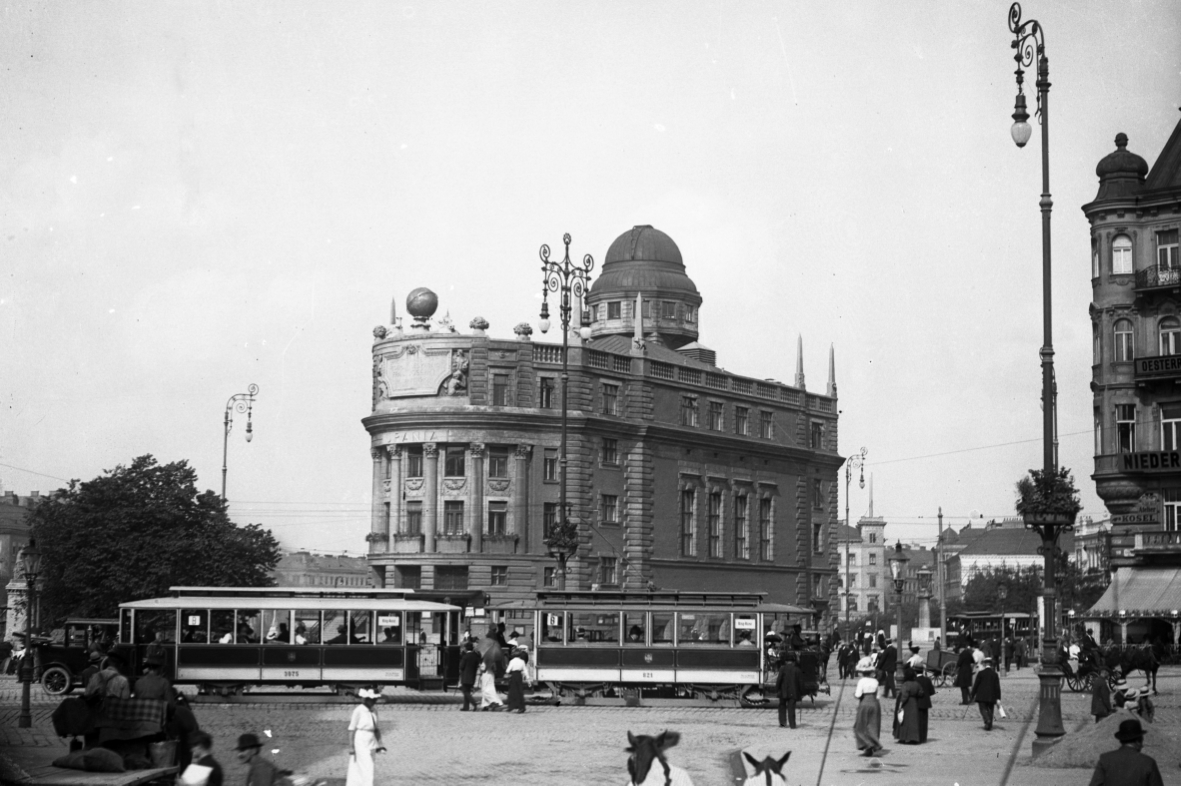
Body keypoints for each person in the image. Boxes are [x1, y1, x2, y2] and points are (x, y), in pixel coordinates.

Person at [1088, 718, 1164, 786]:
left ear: (1121, 740)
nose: (1142, 745)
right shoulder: (1148, 762)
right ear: (1138, 741)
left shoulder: (1105, 759)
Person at [346, 688, 386, 786]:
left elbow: (376, 728)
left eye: (375, 699)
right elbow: (351, 729)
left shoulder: (374, 710)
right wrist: (351, 747)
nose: (374, 701)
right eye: (372, 699)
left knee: (366, 763)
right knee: (367, 765)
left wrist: (380, 744)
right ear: (366, 699)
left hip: (371, 741)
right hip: (361, 740)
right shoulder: (358, 710)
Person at [852, 658, 882, 757]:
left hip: (865, 703)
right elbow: (878, 696)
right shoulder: (875, 681)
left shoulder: (862, 681)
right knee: (873, 725)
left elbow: (858, 694)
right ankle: (874, 744)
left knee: (860, 726)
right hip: (875, 703)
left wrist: (855, 695)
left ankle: (867, 745)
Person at [892, 667, 924, 745]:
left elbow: (904, 696)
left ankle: (903, 737)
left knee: (904, 721)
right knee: (913, 721)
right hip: (914, 702)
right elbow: (921, 692)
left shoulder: (906, 684)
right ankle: (913, 738)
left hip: (907, 704)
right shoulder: (917, 684)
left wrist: (900, 704)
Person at [970, 657, 1002, 731]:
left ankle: (987, 719)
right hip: (991, 695)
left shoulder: (981, 673)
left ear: (984, 664)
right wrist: (998, 698)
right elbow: (997, 687)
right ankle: (989, 725)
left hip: (982, 695)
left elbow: (976, 685)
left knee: (983, 709)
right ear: (991, 665)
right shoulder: (994, 674)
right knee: (990, 709)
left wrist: (972, 695)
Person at [776, 652, 806, 729]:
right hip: (794, 692)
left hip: (783, 691)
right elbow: (801, 683)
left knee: (782, 707)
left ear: (786, 661)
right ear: (794, 661)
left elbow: (779, 680)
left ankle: (782, 723)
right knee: (791, 708)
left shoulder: (782, 668)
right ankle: (792, 725)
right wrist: (802, 692)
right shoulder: (797, 670)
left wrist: (777, 689)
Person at [478, 634, 506, 711]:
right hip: (491, 674)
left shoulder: (486, 658)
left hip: (486, 674)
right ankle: (485, 705)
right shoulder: (492, 657)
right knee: (490, 688)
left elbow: (483, 668)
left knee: (485, 690)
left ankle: (495, 701)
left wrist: (480, 666)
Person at [915, 665, 936, 743]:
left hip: (917, 702)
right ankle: (924, 737)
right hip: (926, 702)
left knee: (917, 720)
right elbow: (932, 692)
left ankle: (918, 737)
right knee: (924, 721)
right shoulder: (927, 680)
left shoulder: (915, 680)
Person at [458, 641, 481, 711]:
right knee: (467, 691)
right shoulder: (475, 656)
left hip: (465, 676)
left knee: (465, 691)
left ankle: (474, 703)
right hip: (472, 676)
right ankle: (466, 707)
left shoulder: (465, 657)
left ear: (466, 648)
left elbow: (461, 666)